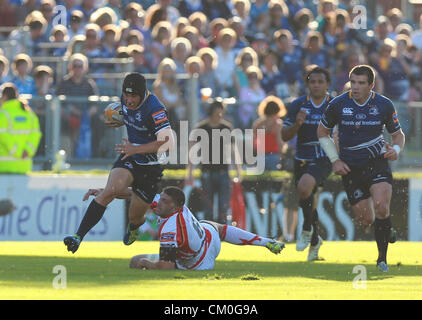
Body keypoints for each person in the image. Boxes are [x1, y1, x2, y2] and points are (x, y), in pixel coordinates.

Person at [64, 72, 175, 254]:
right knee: (111, 190)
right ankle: (77, 237)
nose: (129, 100)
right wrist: (118, 120)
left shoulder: (155, 108)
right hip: (129, 157)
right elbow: (130, 117)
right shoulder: (123, 101)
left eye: (133, 96)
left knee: (135, 217)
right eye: (126, 95)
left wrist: (136, 148)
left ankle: (133, 229)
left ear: (143, 94)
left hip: (151, 167)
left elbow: (168, 142)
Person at [317, 65, 405, 272]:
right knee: (367, 219)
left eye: (361, 83)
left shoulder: (384, 104)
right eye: (353, 82)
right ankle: (386, 227)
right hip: (350, 168)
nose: (355, 87)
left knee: (382, 205)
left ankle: (382, 260)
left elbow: (398, 135)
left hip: (377, 161)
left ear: (371, 85)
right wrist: (335, 160)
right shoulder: (338, 104)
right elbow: (322, 132)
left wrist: (396, 149)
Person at [99, 186, 283, 270]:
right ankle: (267, 242)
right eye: (160, 199)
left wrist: (147, 264)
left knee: (135, 261)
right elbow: (135, 193)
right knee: (216, 227)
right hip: (209, 239)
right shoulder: (175, 207)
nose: (158, 204)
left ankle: (266, 242)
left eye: (164, 201)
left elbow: (166, 265)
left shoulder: (171, 228)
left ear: (175, 207)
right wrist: (105, 193)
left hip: (198, 262)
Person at [281, 66, 333, 261]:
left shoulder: (334, 105)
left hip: (324, 156)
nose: (317, 85)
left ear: (327, 84)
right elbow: (284, 135)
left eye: (321, 82)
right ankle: (315, 240)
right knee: (307, 198)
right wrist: (297, 124)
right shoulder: (297, 105)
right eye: (313, 82)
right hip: (301, 158)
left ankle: (305, 229)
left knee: (304, 187)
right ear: (308, 84)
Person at [186, 99, 242, 224]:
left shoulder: (226, 128)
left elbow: (233, 151)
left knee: (223, 206)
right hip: (206, 171)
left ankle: (222, 231)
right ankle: (209, 230)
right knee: (208, 206)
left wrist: (238, 170)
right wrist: (189, 172)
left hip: (223, 171)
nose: (219, 116)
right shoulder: (201, 128)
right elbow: (192, 152)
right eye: (217, 113)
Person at [0, 83, 42, 174]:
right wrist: (27, 151)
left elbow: (3, 136)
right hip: (24, 166)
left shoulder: (3, 114)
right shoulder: (29, 114)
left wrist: (17, 152)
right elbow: (35, 135)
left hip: (4, 167)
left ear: (4, 96)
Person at [252, 95, 286, 171]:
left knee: (260, 180)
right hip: (274, 155)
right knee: (273, 180)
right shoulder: (278, 124)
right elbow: (279, 142)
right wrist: (282, 155)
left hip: (260, 155)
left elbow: (254, 142)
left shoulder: (258, 123)